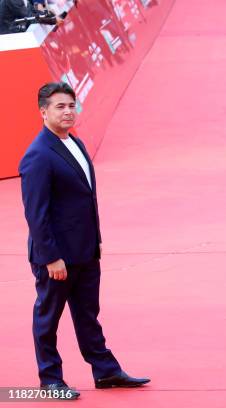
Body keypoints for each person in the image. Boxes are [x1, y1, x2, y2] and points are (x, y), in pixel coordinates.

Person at [19, 82, 150, 400]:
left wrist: (96, 240)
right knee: (48, 318)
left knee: (88, 313)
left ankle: (104, 371)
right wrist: (51, 257)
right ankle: (50, 380)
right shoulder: (38, 155)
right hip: (57, 258)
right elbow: (36, 214)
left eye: (70, 105)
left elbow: (86, 199)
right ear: (43, 112)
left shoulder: (74, 143)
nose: (67, 112)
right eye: (59, 107)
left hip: (85, 251)